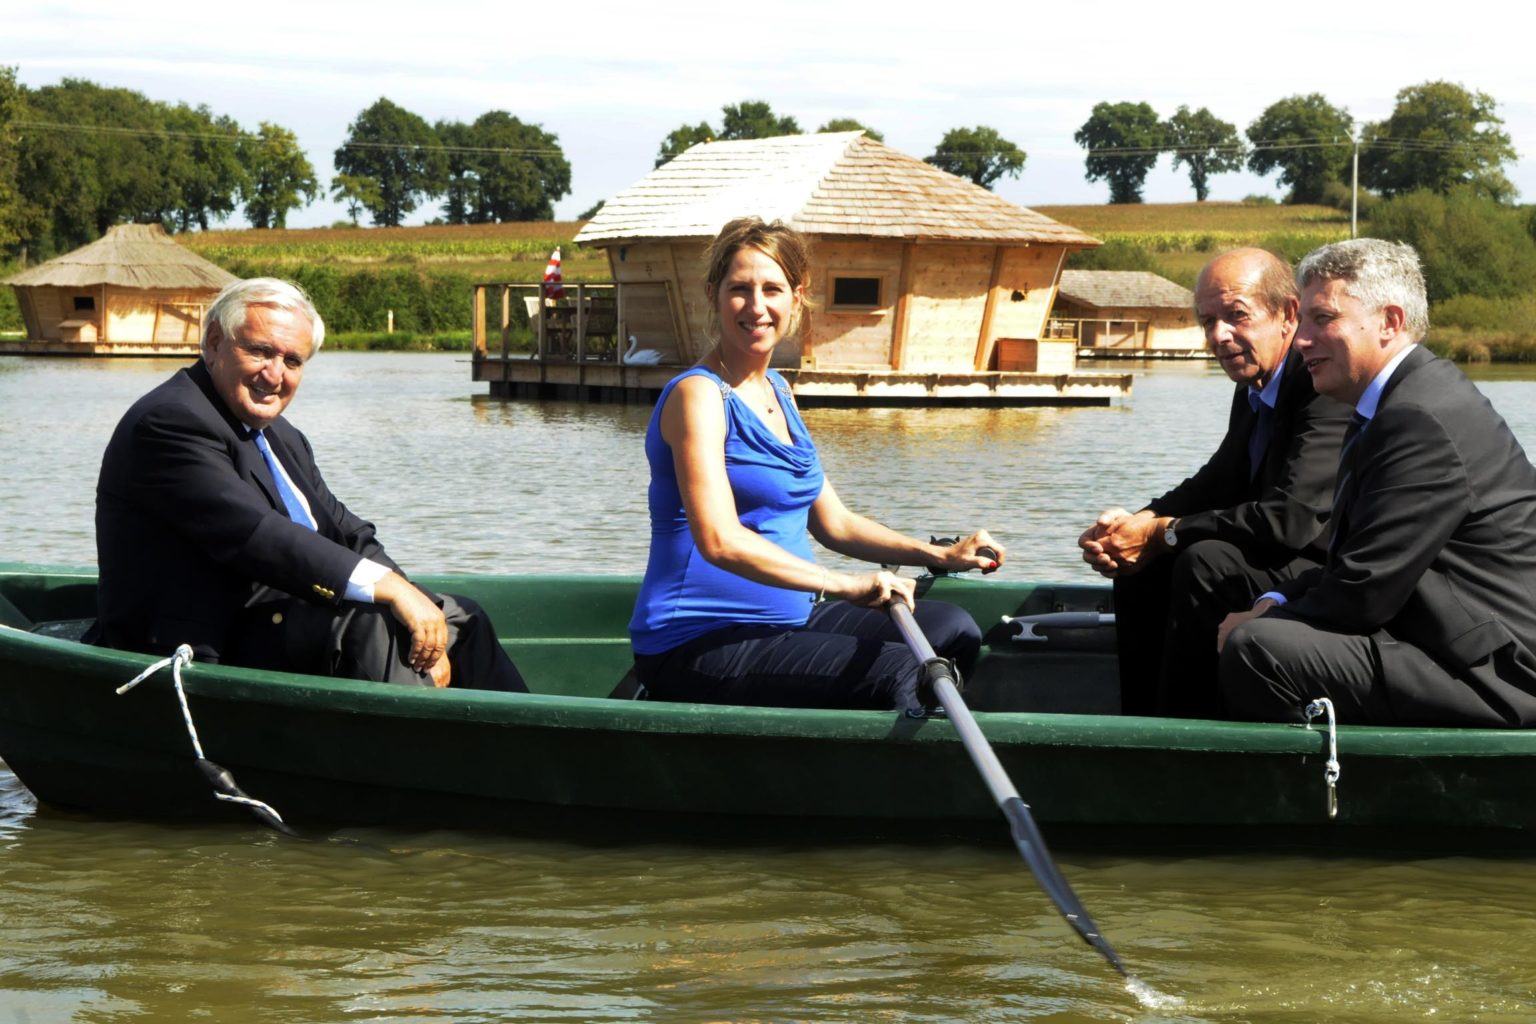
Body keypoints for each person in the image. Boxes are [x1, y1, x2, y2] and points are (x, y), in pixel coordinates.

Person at [628, 217, 1003, 713]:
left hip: (787, 621)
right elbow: (718, 540)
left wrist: (941, 554)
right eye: (739, 289)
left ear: (796, 297)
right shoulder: (698, 395)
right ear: (713, 295)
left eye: (772, 289)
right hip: (697, 641)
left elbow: (834, 523)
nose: (756, 306)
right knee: (907, 672)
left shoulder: (779, 391)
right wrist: (844, 584)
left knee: (953, 629)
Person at [88, 277, 526, 693]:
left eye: (292, 361)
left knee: (459, 619)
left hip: (272, 621)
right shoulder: (171, 421)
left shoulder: (281, 435)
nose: (274, 374)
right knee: (368, 625)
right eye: (260, 351)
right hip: (198, 641)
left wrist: (414, 602)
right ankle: (416, 749)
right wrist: (390, 592)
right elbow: (256, 535)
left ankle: (527, 741)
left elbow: (347, 532)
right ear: (215, 342)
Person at [1218, 239, 1536, 726]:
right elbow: (1357, 561)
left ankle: (1304, 778)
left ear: (1389, 322)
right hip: (1452, 643)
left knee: (1259, 648)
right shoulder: (1394, 402)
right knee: (1230, 589)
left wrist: (1265, 618)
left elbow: (1365, 593)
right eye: (1304, 321)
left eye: (1323, 319)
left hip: (1498, 675)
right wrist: (1274, 599)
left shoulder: (1416, 417)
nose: (1301, 340)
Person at [1078, 248, 1351, 718]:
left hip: (1330, 567)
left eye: (1236, 316)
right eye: (1208, 322)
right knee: (1142, 566)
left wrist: (1165, 533)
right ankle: (1141, 725)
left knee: (1205, 562)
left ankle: (1190, 733)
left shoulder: (1319, 386)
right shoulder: (1255, 386)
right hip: (1284, 550)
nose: (1219, 336)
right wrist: (1135, 525)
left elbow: (1290, 519)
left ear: (1287, 315)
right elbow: (1218, 480)